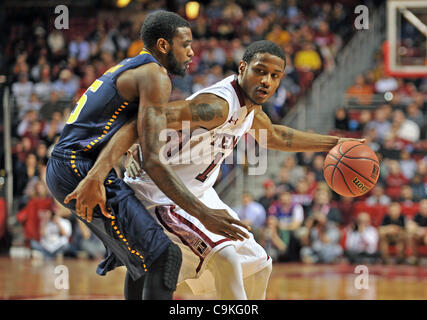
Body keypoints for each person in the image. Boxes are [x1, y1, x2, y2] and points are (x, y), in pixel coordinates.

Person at [79, 40, 365, 299]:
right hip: (160, 191)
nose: (266, 81)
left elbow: (277, 136)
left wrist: (335, 142)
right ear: (243, 68)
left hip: (198, 192)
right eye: (260, 71)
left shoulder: (250, 109)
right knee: (224, 257)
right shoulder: (218, 105)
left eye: (275, 76)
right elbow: (150, 115)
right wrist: (102, 170)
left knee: (258, 265)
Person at [45, 11, 247, 300]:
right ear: (163, 45)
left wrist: (126, 151)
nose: (192, 52)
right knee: (166, 257)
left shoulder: (132, 66)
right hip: (80, 168)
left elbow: (118, 125)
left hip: (68, 164)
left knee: (143, 259)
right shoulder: (156, 75)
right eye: (185, 44)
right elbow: (154, 160)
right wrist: (203, 213)